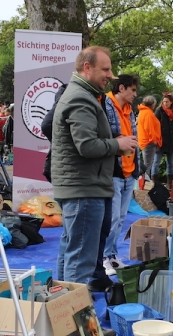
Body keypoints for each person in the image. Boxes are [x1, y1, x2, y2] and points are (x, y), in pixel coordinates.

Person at [51, 46, 136, 290]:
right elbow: (86, 145)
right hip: (84, 188)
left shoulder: (84, 95)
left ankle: (63, 303)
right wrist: (117, 144)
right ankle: (74, 311)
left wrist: (113, 144)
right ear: (87, 67)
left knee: (71, 250)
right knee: (81, 258)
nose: (111, 75)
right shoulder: (80, 98)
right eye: (105, 69)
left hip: (82, 186)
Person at [103, 74, 140, 275]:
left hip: (129, 171)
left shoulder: (129, 110)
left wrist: (137, 168)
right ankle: (104, 257)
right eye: (132, 90)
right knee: (112, 218)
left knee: (120, 218)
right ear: (122, 88)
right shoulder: (105, 105)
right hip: (114, 171)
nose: (135, 94)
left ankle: (111, 255)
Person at [154, 93, 173, 184]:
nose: (165, 103)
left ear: (171, 102)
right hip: (161, 141)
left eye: (167, 102)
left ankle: (170, 184)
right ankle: (155, 183)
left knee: (170, 164)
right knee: (156, 162)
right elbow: (154, 126)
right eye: (164, 101)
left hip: (171, 142)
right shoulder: (159, 111)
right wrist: (155, 139)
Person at [137, 95, 161, 179]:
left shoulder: (142, 112)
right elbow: (149, 129)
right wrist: (154, 140)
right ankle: (144, 183)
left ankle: (144, 182)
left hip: (144, 141)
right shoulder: (148, 113)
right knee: (147, 166)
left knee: (147, 165)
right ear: (153, 104)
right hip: (149, 142)